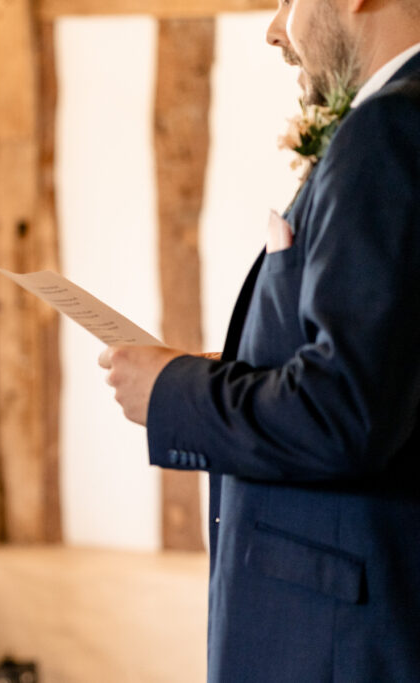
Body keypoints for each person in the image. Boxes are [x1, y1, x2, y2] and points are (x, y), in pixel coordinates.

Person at [98, 0, 420, 680]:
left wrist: (172, 392)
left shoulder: (389, 126)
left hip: (340, 637)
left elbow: (346, 412)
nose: (275, 27)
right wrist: (248, 368)